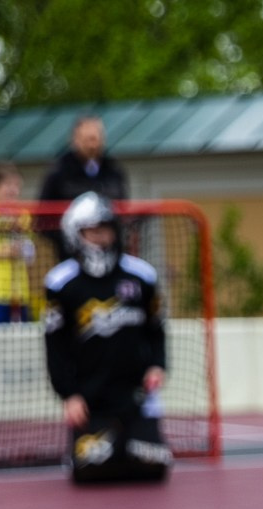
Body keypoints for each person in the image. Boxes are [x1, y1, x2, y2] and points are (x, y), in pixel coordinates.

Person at [43, 194, 172, 484]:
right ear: (76, 233)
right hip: (91, 399)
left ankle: (133, 437)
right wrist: (68, 395)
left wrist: (157, 365)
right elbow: (55, 346)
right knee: (92, 470)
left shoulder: (141, 275)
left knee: (151, 467)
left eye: (106, 229)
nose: (101, 238)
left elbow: (157, 329)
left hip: (136, 397)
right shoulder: (61, 283)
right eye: (93, 231)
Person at [38, 116, 128, 260]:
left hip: (110, 257)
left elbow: (123, 211)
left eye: (96, 138)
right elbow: (41, 219)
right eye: (88, 139)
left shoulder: (114, 171)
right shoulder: (59, 172)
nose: (93, 145)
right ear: (75, 140)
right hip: (71, 258)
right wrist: (70, 240)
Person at [0, 166, 39, 322]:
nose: (13, 190)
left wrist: (22, 249)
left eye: (17, 186)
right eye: (8, 185)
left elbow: (32, 254)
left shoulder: (23, 215)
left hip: (20, 294)